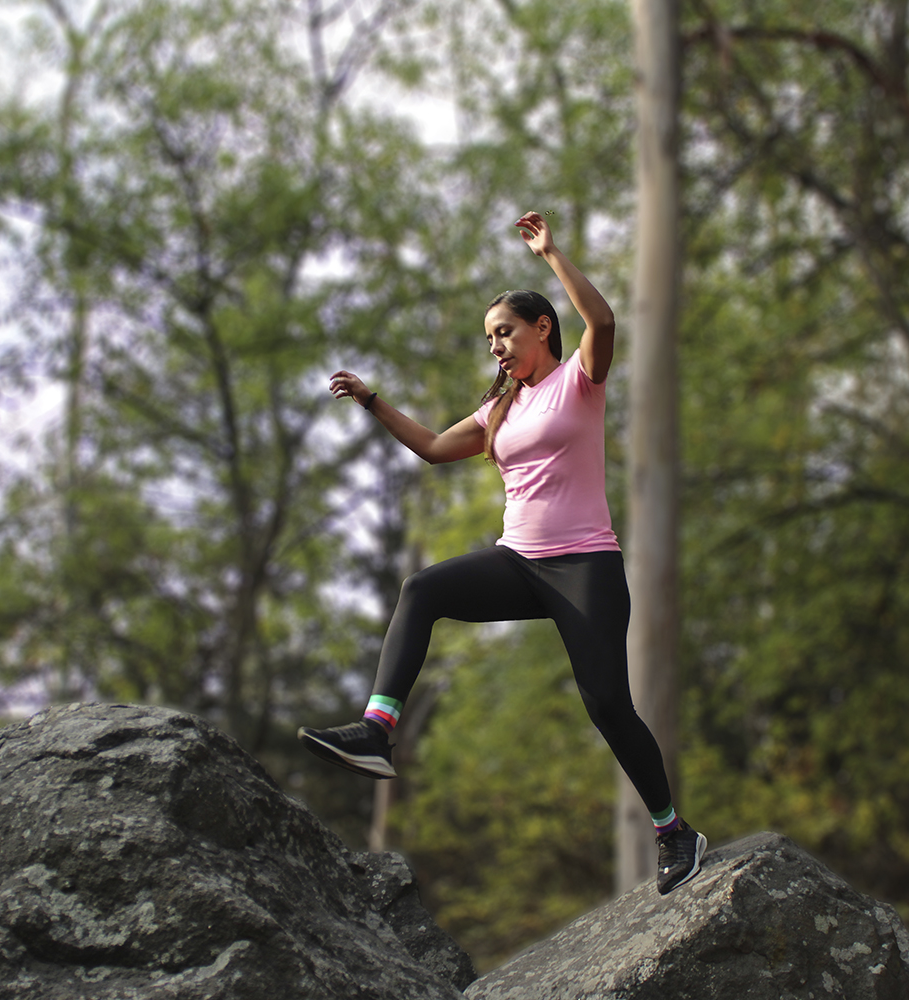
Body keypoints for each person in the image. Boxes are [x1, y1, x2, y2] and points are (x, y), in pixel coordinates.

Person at [298, 211, 706, 895]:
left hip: (585, 568)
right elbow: (431, 446)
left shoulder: (579, 380)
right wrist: (372, 401)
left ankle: (674, 833)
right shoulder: (500, 410)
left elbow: (603, 324)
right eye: (489, 338)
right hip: (518, 563)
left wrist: (553, 256)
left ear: (541, 328)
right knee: (422, 589)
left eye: (505, 331)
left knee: (607, 703)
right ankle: (377, 731)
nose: (496, 346)